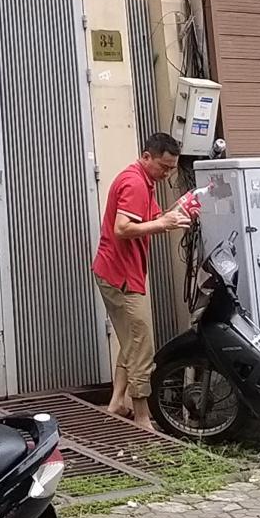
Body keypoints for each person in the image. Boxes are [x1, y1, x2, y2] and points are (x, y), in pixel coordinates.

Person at [92, 130, 190, 433]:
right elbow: (122, 228)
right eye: (164, 166)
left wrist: (179, 211)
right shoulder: (135, 183)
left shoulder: (144, 180)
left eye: (171, 168)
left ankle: (115, 404)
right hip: (120, 276)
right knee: (141, 343)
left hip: (119, 273)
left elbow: (152, 218)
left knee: (129, 339)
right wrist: (162, 224)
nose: (167, 173)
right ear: (146, 156)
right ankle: (142, 416)